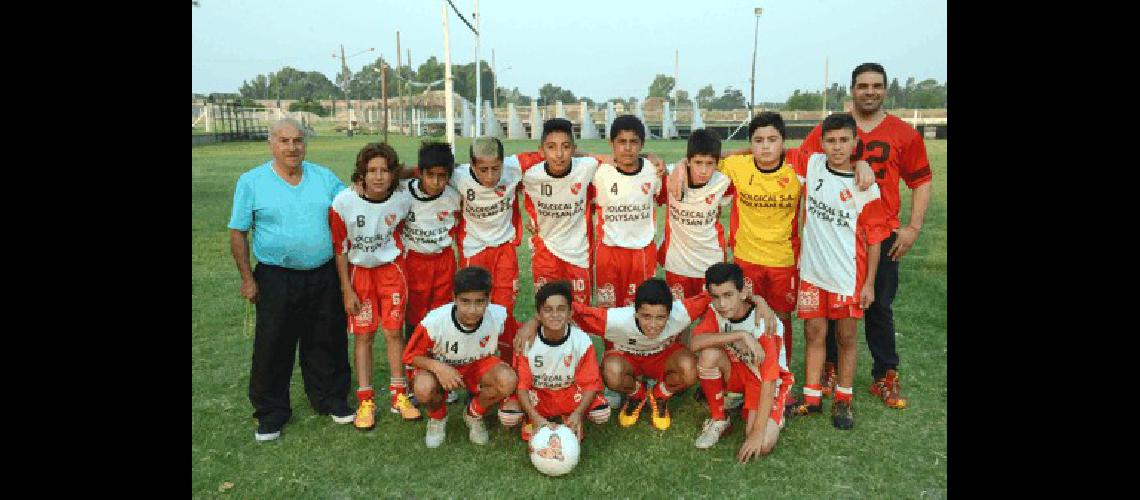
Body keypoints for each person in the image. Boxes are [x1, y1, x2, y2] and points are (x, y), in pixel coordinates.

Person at [799, 63, 933, 409]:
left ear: (885, 90)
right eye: (863, 86)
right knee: (829, 307)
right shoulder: (832, 128)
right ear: (852, 90)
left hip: (880, 233)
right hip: (834, 233)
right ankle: (828, 369)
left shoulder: (904, 134)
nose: (869, 91)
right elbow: (809, 160)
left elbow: (921, 181)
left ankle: (885, 375)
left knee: (876, 306)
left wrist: (913, 227)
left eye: (876, 85)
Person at [227, 118, 354, 441]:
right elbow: (238, 232)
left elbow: (355, 201)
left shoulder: (323, 177)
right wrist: (247, 279)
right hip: (275, 276)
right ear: (271, 143)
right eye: (284, 141)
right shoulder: (252, 181)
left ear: (305, 144)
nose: (292, 147)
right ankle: (271, 413)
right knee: (273, 344)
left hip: (323, 272)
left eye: (298, 140)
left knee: (327, 338)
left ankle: (330, 398)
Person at [790, 113, 891, 430]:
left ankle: (844, 401)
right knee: (814, 334)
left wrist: (869, 284)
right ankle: (811, 398)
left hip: (848, 276)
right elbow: (768, 151)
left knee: (846, 337)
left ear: (855, 143)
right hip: (812, 273)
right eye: (831, 141)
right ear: (821, 143)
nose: (837, 147)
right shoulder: (813, 165)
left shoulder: (866, 187)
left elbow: (875, 240)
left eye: (844, 140)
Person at [329, 142, 420, 431]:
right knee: (364, 337)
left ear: (394, 174)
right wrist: (346, 289)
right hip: (359, 275)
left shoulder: (402, 199)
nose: (378, 177)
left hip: (392, 272)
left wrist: (403, 170)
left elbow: (425, 171)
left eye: (385, 170)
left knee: (394, 333)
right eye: (372, 171)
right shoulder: (343, 202)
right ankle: (366, 400)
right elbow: (340, 248)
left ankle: (399, 395)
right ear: (361, 174)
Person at [402, 266, 520, 448]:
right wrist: (438, 367)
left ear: (489, 299)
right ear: (454, 298)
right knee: (423, 387)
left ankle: (474, 414)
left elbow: (516, 345)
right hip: (442, 367)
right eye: (465, 302)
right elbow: (410, 356)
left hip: (478, 367)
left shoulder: (499, 317)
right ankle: (437, 418)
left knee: (507, 379)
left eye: (479, 302)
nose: (472, 310)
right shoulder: (434, 322)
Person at [689, 263, 792, 462]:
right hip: (739, 369)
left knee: (762, 445)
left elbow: (769, 380)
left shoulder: (763, 323)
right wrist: (741, 335)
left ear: (743, 292)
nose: (722, 304)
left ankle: (779, 409)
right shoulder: (715, 311)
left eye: (728, 295)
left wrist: (756, 432)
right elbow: (694, 343)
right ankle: (719, 419)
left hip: (766, 381)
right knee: (708, 355)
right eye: (716, 297)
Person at [503, 281, 610, 441]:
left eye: (561, 309)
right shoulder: (527, 341)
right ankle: (533, 418)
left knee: (602, 413)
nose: (555, 315)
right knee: (508, 417)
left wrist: (578, 414)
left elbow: (590, 384)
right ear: (538, 315)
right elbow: (522, 387)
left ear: (570, 313)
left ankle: (569, 418)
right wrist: (535, 417)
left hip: (568, 392)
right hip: (538, 394)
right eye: (548, 310)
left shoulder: (581, 340)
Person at [520, 118, 601, 305]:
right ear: (541, 150)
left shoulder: (587, 167)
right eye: (551, 147)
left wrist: (652, 157)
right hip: (545, 252)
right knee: (548, 311)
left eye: (565, 147)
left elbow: (621, 161)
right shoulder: (529, 175)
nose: (558, 154)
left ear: (574, 149)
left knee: (580, 314)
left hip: (579, 255)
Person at [658, 129, 733, 300]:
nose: (704, 170)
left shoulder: (724, 181)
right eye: (698, 162)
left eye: (709, 163)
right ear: (689, 160)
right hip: (677, 263)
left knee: (714, 317)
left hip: (711, 261)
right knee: (679, 318)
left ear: (717, 162)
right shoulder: (670, 178)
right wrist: (679, 165)